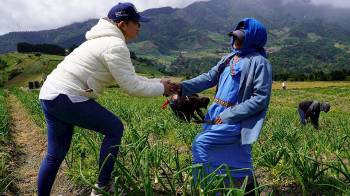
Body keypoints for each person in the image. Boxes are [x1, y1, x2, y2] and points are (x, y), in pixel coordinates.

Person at [37, 2, 176, 195]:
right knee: (114, 128)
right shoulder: (115, 46)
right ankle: (102, 186)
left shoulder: (99, 41)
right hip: (67, 96)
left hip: (50, 95)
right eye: (136, 22)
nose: (139, 26)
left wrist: (159, 82)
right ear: (122, 24)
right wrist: (163, 89)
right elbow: (131, 87)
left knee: (55, 154)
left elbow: (131, 78)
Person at [173, 18, 272, 194]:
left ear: (253, 39)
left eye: (241, 38)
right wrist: (182, 87)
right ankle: (248, 187)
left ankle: (208, 189)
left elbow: (260, 98)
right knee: (237, 154)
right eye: (235, 37)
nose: (236, 41)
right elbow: (209, 77)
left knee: (201, 145)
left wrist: (229, 115)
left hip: (236, 118)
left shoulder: (259, 62)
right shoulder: (229, 58)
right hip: (215, 113)